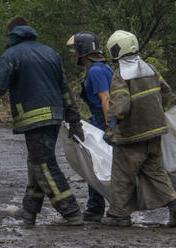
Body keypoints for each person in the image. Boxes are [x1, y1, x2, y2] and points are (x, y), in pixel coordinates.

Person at [0, 17, 85, 225]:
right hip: (54, 117)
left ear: (11, 33)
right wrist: (74, 119)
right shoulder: (50, 53)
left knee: (44, 164)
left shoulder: (11, 55)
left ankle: (71, 211)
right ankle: (29, 211)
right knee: (36, 162)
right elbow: (65, 90)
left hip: (34, 118)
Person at [101, 30, 176, 227]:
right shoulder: (150, 68)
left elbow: (120, 105)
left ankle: (119, 215)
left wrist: (111, 125)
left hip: (131, 135)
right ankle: (175, 206)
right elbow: (167, 94)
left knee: (123, 175)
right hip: (155, 133)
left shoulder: (121, 74)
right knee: (155, 172)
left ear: (116, 49)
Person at [66, 31, 113, 222]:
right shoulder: (102, 68)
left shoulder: (95, 71)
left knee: (95, 164)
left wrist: (109, 126)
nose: (73, 54)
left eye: (74, 50)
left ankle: (95, 208)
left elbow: (105, 98)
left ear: (83, 51)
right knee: (96, 163)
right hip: (100, 120)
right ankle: (95, 207)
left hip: (103, 122)